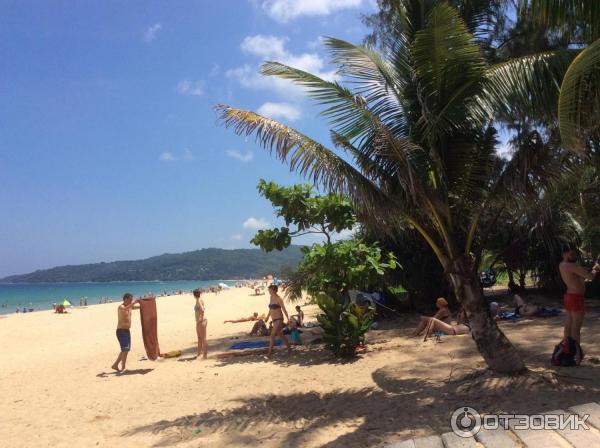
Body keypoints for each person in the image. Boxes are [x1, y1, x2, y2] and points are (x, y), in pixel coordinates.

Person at [559, 245, 596, 344]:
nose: (574, 256)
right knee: (576, 328)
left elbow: (577, 277)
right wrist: (595, 269)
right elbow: (591, 277)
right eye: (571, 254)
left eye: (574, 254)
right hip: (576, 298)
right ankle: (576, 353)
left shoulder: (562, 264)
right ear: (564, 254)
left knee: (569, 324)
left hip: (569, 296)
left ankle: (567, 350)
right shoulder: (571, 266)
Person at [111, 293, 140, 372]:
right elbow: (125, 309)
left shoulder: (130, 307)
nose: (131, 301)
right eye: (130, 300)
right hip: (121, 331)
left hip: (127, 331)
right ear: (125, 299)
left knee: (126, 350)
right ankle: (123, 367)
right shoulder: (121, 307)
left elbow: (139, 307)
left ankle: (115, 365)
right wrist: (134, 303)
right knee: (125, 349)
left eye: (132, 300)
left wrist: (146, 303)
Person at [266, 284, 291, 357]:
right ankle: (289, 349)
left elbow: (284, 309)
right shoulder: (271, 297)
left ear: (274, 290)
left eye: (270, 290)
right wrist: (267, 317)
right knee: (281, 335)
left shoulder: (279, 299)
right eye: (269, 290)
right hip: (273, 319)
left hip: (279, 319)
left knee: (272, 335)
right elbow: (270, 309)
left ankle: (269, 353)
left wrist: (288, 318)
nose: (269, 291)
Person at [193, 288, 208, 360]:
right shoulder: (199, 299)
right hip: (200, 321)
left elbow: (202, 309)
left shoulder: (198, 300)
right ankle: (199, 354)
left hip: (201, 321)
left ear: (194, 295)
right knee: (199, 338)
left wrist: (200, 318)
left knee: (203, 338)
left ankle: (205, 356)